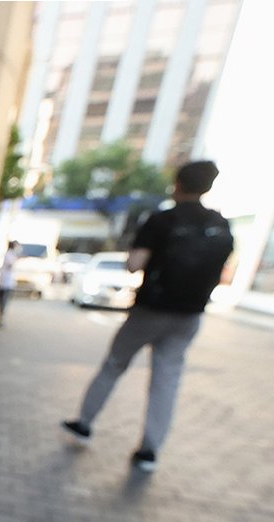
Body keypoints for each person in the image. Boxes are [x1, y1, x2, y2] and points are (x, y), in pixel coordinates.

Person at [62, 161, 233, 471]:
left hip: (151, 310)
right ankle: (149, 451)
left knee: (114, 364)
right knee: (166, 380)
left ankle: (84, 423)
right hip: (189, 316)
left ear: (177, 184)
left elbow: (134, 264)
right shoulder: (220, 225)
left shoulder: (162, 220)